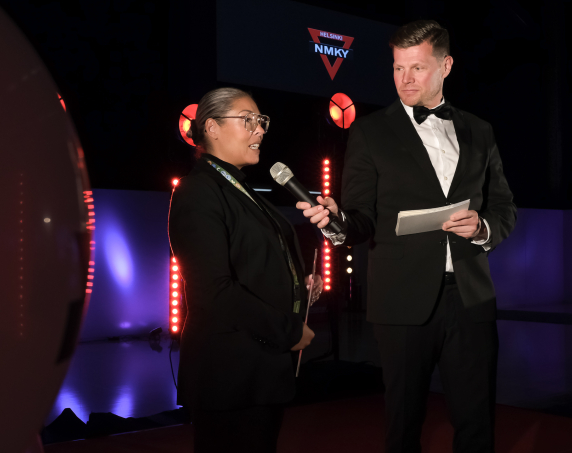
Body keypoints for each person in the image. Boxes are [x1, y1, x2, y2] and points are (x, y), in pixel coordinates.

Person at [297, 20, 517, 453]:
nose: (405, 79)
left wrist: (483, 228)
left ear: (446, 66)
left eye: (417, 68)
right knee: (403, 425)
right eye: (398, 68)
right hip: (400, 299)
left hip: (471, 298)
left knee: (477, 424)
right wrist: (338, 221)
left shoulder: (480, 130)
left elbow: (504, 206)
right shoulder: (370, 131)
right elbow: (360, 220)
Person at [169, 87, 320, 453]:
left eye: (261, 120)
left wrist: (298, 285)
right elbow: (213, 290)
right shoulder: (197, 191)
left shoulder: (240, 188)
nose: (260, 129)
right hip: (229, 373)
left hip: (258, 369)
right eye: (247, 120)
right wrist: (288, 331)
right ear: (212, 127)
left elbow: (255, 263)